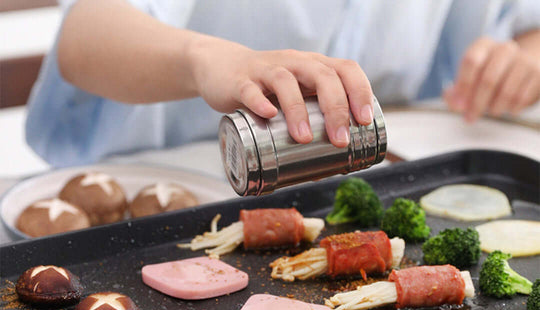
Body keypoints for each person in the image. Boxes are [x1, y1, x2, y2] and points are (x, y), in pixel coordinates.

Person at [26, 0, 540, 167]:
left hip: (378, 176)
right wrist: (205, 58)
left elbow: (526, 26)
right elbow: (84, 36)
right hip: (175, 182)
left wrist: (522, 61)